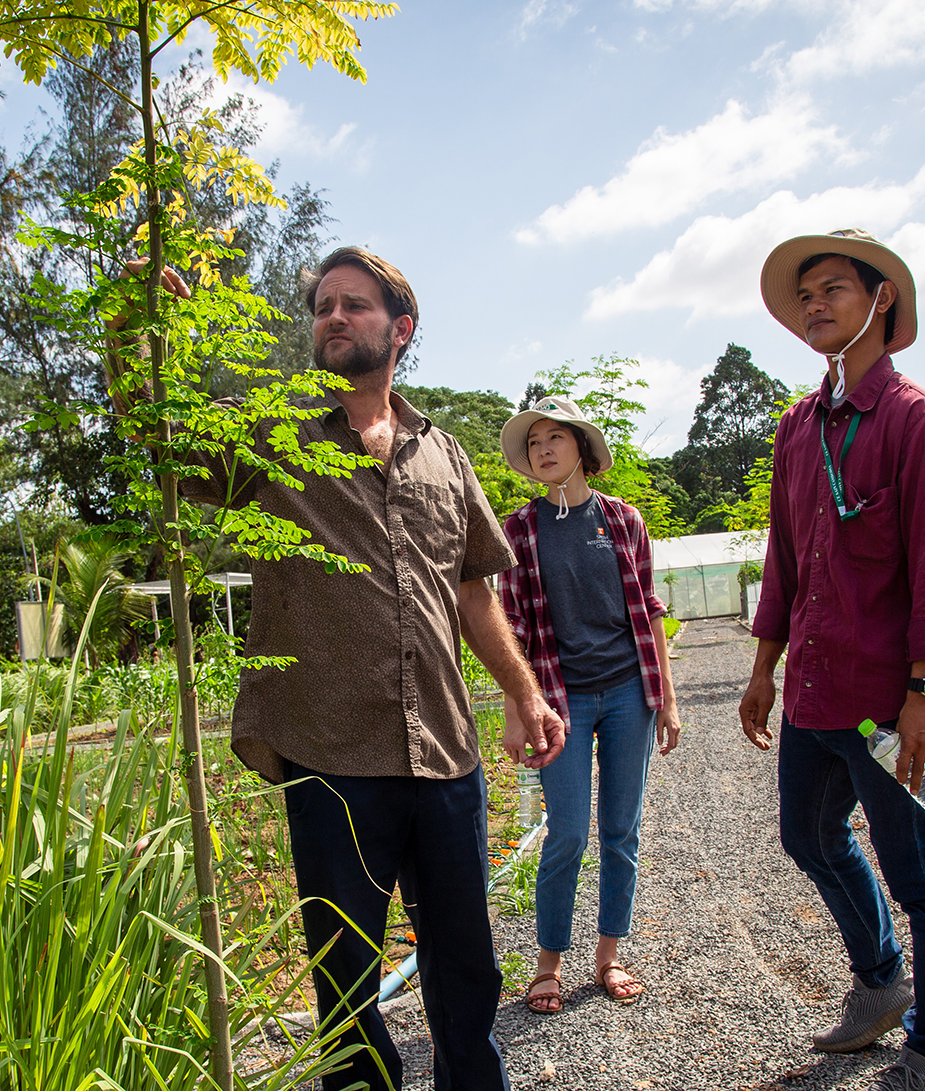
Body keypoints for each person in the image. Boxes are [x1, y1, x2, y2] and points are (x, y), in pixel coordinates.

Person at [135, 247, 566, 1091]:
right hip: (330, 754)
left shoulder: (444, 453)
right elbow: (162, 443)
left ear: (400, 329)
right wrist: (135, 332)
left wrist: (524, 694)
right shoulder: (272, 434)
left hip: (445, 752)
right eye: (324, 305)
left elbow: (474, 589)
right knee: (345, 981)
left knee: (467, 969)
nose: (333, 316)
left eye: (355, 305)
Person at [736, 230, 925, 1091]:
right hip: (816, 691)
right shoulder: (798, 429)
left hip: (889, 698)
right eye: (804, 297)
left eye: (832, 288)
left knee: (923, 874)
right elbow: (786, 558)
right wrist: (764, 668)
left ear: (883, 301)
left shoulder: (917, 420)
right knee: (808, 832)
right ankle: (880, 983)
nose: (813, 306)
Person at [491, 397, 681, 1016]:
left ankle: (608, 955)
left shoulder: (623, 520)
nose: (544, 449)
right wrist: (517, 709)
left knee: (621, 831)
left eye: (556, 437)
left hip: (629, 691)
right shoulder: (517, 530)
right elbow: (510, 626)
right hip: (559, 698)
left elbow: (649, 611)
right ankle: (549, 963)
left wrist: (668, 701)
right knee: (567, 831)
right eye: (534, 441)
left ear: (581, 448)